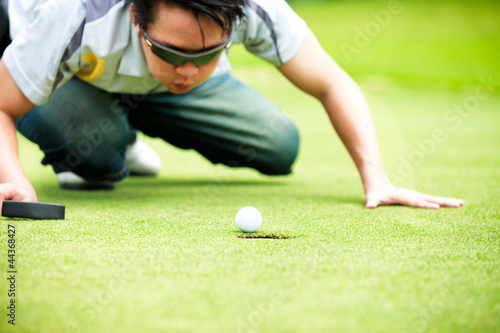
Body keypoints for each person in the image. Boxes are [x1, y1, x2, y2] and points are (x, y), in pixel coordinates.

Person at [0, 0, 464, 210]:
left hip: (150, 88)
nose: (187, 69)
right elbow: (2, 105)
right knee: (95, 152)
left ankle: (128, 120)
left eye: (206, 55)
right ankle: (106, 138)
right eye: (171, 52)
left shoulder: (253, 6)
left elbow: (332, 83)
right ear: (136, 17)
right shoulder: (75, 14)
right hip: (69, 73)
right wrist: (13, 178)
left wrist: (376, 177)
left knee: (278, 145)